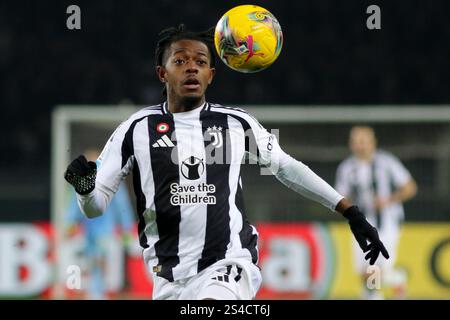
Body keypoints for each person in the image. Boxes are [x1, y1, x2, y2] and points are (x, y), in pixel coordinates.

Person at [64, 25, 389, 300]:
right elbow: (95, 206)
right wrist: (83, 188)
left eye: (200, 62)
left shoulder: (235, 123)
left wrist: (350, 210)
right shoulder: (135, 129)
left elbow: (288, 168)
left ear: (211, 74)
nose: (191, 67)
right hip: (167, 280)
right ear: (162, 73)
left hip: (229, 265)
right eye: (180, 61)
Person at [335, 126, 417, 299]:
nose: (360, 145)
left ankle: (385, 287)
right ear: (351, 144)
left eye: (363, 141)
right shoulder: (346, 168)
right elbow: (340, 196)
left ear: (373, 143)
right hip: (361, 222)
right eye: (356, 141)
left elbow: (410, 188)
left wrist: (387, 200)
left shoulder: (387, 162)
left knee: (375, 269)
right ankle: (396, 280)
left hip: (387, 221)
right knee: (365, 272)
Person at [65, 148, 135, 299]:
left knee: (102, 259)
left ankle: (99, 291)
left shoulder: (112, 181)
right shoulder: (82, 182)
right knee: (92, 260)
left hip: (106, 230)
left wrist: (126, 229)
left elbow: (122, 207)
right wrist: (69, 225)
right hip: (88, 231)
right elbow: (74, 206)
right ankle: (96, 291)